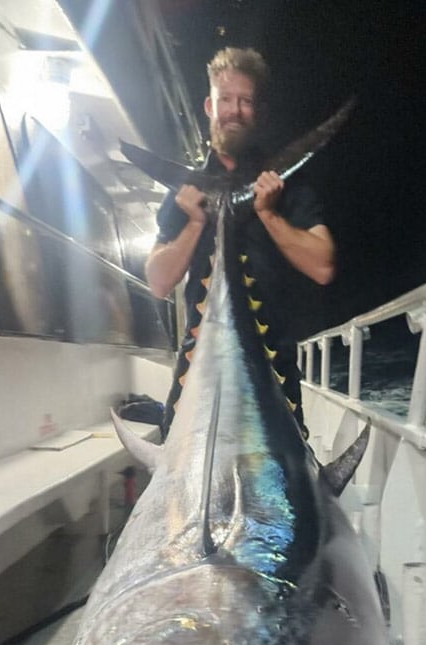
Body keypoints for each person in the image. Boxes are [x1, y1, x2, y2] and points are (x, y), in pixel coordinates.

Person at [145, 47, 336, 438]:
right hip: (198, 367)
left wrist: (268, 213)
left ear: (258, 110)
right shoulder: (185, 192)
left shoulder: (285, 186)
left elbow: (323, 267)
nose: (235, 110)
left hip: (273, 370)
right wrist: (196, 222)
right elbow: (158, 281)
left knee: (281, 483)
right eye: (226, 100)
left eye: (245, 101)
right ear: (209, 106)